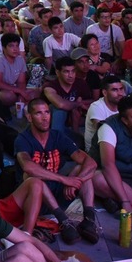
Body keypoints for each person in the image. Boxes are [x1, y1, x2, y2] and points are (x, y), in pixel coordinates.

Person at [13, 95, 100, 243]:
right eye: (38, 113)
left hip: (57, 192)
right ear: (29, 117)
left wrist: (76, 181)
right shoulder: (23, 139)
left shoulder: (57, 136)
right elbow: (28, 167)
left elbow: (90, 162)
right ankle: (64, 221)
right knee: (33, 177)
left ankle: (89, 220)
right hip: (34, 198)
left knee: (82, 168)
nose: (44, 117)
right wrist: (64, 179)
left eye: (47, 112)